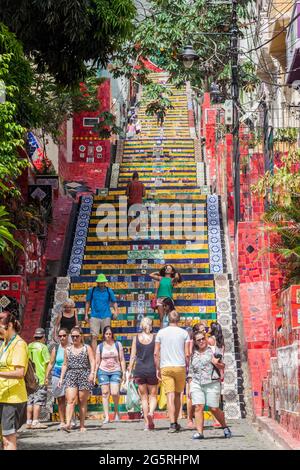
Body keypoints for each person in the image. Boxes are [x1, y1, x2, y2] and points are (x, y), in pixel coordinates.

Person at [187, 331, 232, 439]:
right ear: (196, 342)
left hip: (212, 382)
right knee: (198, 406)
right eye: (199, 340)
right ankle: (200, 432)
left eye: (203, 338)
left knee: (213, 408)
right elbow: (190, 371)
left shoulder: (213, 350)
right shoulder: (193, 353)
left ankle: (225, 427)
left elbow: (223, 366)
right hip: (197, 383)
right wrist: (190, 384)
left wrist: (216, 363)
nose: (202, 341)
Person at [154, 309, 190, 433]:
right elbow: (187, 354)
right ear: (178, 319)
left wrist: (157, 368)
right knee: (178, 394)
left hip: (165, 366)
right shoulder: (184, 333)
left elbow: (155, 353)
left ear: (168, 319)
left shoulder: (161, 333)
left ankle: (172, 423)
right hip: (180, 366)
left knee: (169, 394)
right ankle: (176, 421)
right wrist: (188, 367)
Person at [0, 311, 28, 450]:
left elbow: (20, 372)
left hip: (13, 398)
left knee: (8, 439)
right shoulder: (4, 343)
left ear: (9, 325)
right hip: (3, 395)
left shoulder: (19, 344)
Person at [58, 326, 95, 432]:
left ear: (81, 336)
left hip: (84, 373)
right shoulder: (67, 349)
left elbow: (92, 361)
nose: (75, 338)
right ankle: (68, 423)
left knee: (82, 401)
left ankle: (82, 425)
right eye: (73, 336)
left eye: (77, 336)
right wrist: (61, 378)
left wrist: (92, 373)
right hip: (71, 374)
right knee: (70, 400)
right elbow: (65, 364)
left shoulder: (86, 348)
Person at [127, 317, 158, 431]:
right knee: (153, 396)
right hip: (152, 370)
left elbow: (132, 356)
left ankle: (146, 423)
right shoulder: (155, 338)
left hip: (139, 370)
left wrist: (129, 370)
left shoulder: (136, 338)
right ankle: (151, 413)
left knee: (144, 398)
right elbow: (157, 355)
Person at [94, 326, 126, 424]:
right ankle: (107, 416)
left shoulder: (118, 344)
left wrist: (124, 372)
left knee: (115, 392)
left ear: (112, 334)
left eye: (109, 334)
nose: (108, 336)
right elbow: (97, 361)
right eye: (106, 334)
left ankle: (116, 412)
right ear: (103, 335)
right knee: (105, 393)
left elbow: (122, 359)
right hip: (103, 370)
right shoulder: (100, 346)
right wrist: (95, 373)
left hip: (115, 370)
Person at [85, 274, 119, 354]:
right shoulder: (92, 290)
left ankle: (105, 353)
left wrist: (116, 312)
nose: (102, 284)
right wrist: (86, 314)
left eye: (103, 282)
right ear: (97, 283)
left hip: (106, 315)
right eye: (100, 282)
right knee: (94, 336)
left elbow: (114, 302)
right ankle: (94, 355)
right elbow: (88, 302)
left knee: (107, 336)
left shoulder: (108, 290)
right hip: (94, 315)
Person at [45, 328, 70, 429]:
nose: (62, 338)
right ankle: (62, 421)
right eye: (60, 336)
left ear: (67, 336)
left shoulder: (71, 347)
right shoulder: (56, 347)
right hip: (56, 373)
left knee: (70, 398)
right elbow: (51, 363)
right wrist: (46, 376)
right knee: (60, 399)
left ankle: (71, 420)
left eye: (64, 335)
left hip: (68, 373)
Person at [26, 328, 50, 430]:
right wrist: (47, 377)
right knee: (38, 400)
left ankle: (29, 421)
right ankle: (36, 421)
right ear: (43, 337)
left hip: (30, 379)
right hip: (40, 377)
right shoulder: (43, 347)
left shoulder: (29, 346)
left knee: (30, 400)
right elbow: (48, 363)